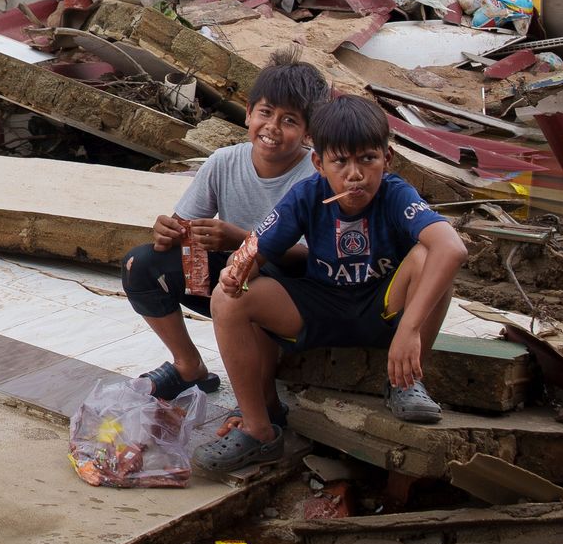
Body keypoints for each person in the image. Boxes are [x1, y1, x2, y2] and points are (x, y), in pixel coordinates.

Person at [193, 92, 468, 476]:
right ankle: (259, 429)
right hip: (318, 307)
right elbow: (255, 248)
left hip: (382, 308)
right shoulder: (307, 195)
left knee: (429, 257)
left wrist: (409, 329)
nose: (355, 174)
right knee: (229, 297)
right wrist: (237, 270)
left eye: (367, 159)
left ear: (386, 159)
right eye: (341, 162)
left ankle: (406, 381)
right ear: (319, 164)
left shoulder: (395, 193)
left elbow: (452, 248)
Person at [119, 57, 329, 400]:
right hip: (230, 279)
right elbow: (183, 231)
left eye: (289, 120)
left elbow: (311, 258)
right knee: (140, 265)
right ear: (248, 113)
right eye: (266, 112)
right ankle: (188, 365)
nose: (272, 127)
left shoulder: (316, 173)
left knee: (258, 277)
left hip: (286, 289)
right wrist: (167, 233)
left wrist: (241, 240)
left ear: (308, 133)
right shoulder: (224, 162)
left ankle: (260, 402)